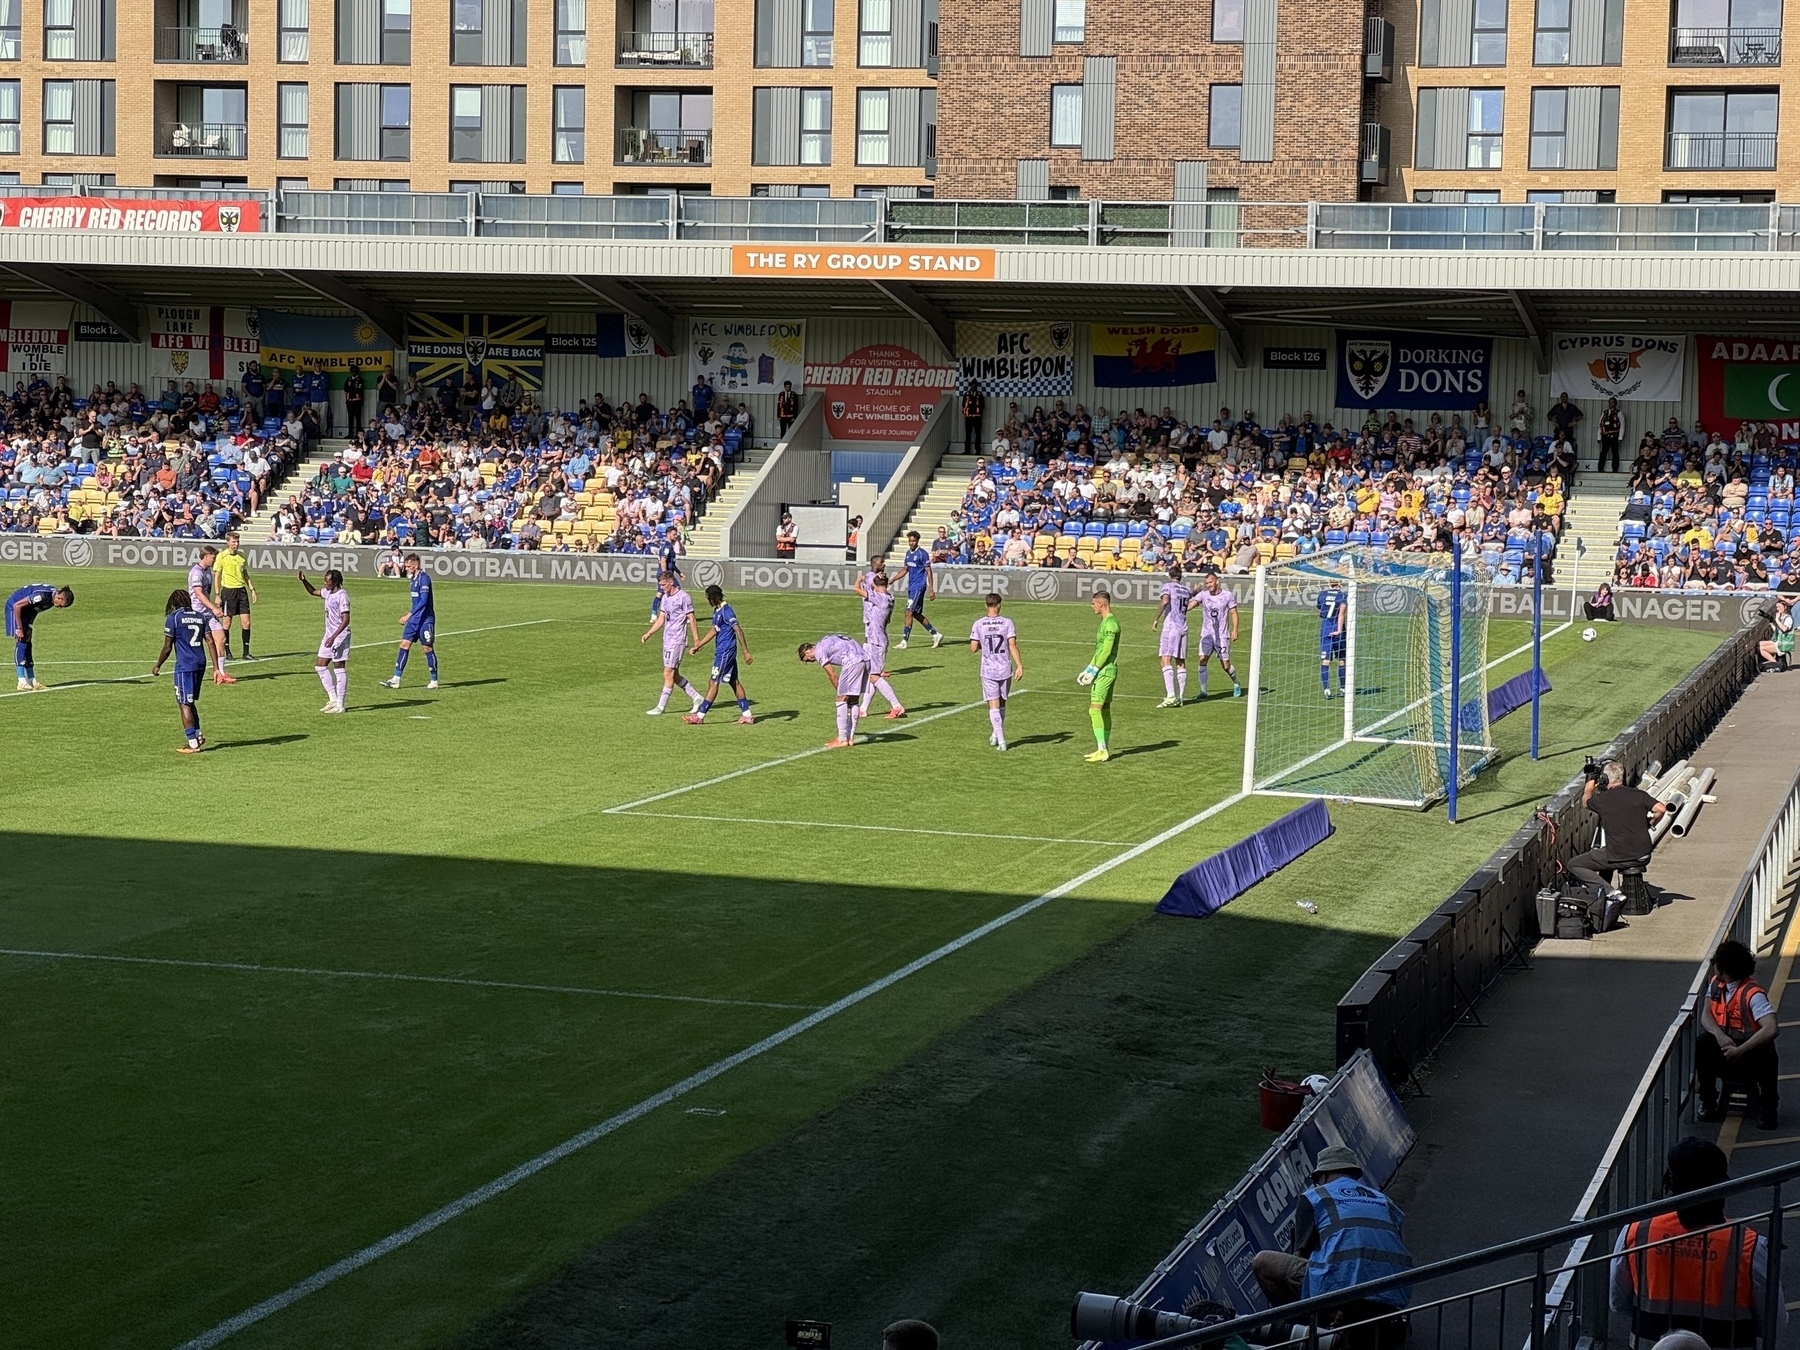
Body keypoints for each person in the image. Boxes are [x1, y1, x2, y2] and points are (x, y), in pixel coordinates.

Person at [1611, 1137, 1785, 1346]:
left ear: (1670, 1182)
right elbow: (1774, 1323)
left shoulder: (1637, 1231)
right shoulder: (1748, 1245)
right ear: (1724, 1185)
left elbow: (1618, 1303)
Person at [1250, 1144, 1411, 1336]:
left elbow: (1299, 1256)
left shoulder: (1315, 1197)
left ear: (1323, 1176)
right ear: (1353, 1175)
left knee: (1263, 1263)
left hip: (1342, 1292)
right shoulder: (1385, 1201)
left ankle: (1301, 1333)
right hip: (1393, 1294)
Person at [1697, 939, 1781, 1129]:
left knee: (1767, 1050)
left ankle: (1768, 1107)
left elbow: (1771, 1028)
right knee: (1703, 1043)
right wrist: (1720, 1036)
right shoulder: (1716, 984)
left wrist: (1741, 1050)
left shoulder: (1753, 994)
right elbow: (1706, 1015)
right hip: (1725, 1049)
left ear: (1722, 969)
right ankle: (1708, 1100)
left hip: (1750, 1056)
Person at [1568, 761, 1667, 902]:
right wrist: (1650, 823)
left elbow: (1586, 801)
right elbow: (1661, 809)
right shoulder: (1639, 794)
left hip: (1621, 856)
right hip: (1644, 854)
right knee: (1605, 855)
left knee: (1574, 864)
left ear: (1605, 780)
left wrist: (1589, 787)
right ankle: (1604, 894)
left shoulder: (1601, 800)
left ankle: (1610, 892)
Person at [150, 590, 211, 754]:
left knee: (183, 703)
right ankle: (197, 735)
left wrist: (158, 665)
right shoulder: (200, 616)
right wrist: (218, 668)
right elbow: (210, 641)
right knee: (190, 701)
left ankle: (192, 743)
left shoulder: (174, 618)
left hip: (185, 666)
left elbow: (167, 647)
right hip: (201, 663)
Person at [685, 584, 755, 725]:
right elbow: (714, 630)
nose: (707, 601)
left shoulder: (726, 611)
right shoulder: (718, 611)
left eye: (708, 598)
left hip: (725, 652)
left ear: (714, 597)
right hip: (723, 651)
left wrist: (745, 652)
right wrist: (699, 645)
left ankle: (700, 716)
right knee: (733, 681)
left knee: (713, 682)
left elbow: (738, 630)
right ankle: (747, 715)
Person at [641, 572, 704, 716]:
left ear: (671, 582)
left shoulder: (683, 597)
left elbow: (692, 618)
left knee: (668, 673)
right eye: (660, 585)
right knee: (674, 675)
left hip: (677, 640)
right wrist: (649, 633)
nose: (661, 588)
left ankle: (660, 706)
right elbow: (661, 618)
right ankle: (697, 698)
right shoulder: (665, 598)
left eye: (663, 585)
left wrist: (696, 640)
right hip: (667, 640)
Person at [969, 591, 1023, 751]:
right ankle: (995, 734)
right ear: (999, 605)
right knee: (1002, 702)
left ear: (986, 605)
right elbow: (1012, 645)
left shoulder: (978, 624)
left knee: (993, 704)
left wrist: (980, 644)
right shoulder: (1007, 623)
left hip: (988, 669)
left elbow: (973, 648)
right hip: (1005, 667)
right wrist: (1020, 665)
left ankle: (1001, 741)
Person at [799, 633, 871, 749]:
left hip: (852, 661)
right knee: (853, 700)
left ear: (808, 652)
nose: (812, 661)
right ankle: (850, 738)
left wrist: (840, 692)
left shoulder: (818, 651)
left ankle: (842, 738)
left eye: (808, 660)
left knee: (841, 699)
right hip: (865, 659)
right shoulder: (825, 640)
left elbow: (832, 675)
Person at [852, 564, 906, 719]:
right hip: (875, 639)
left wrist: (859, 579)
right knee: (871, 675)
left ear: (875, 585)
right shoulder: (889, 597)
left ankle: (896, 705)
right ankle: (863, 708)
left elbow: (856, 589)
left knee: (875, 676)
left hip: (876, 641)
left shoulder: (879, 598)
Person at [381, 553, 439, 690]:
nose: (406, 568)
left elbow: (424, 601)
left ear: (416, 565)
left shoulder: (424, 579)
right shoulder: (412, 579)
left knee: (427, 648)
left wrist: (408, 615)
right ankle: (396, 679)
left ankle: (434, 680)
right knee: (404, 644)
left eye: (408, 566)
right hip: (414, 621)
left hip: (425, 620)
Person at [298, 568, 351, 714]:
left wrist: (334, 637)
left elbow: (346, 619)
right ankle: (332, 699)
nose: (325, 583)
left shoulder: (342, 596)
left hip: (339, 637)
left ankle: (340, 704)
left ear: (335, 582)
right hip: (328, 636)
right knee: (320, 666)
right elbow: (313, 591)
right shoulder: (328, 592)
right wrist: (304, 581)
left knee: (339, 667)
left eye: (327, 581)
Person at [1078, 589, 1121, 763]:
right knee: (1104, 710)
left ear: (1101, 603)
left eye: (1094, 603)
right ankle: (1103, 748)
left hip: (1105, 672)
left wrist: (1094, 670)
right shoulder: (1106, 622)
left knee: (1094, 710)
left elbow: (1107, 650)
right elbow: (1100, 650)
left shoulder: (1111, 624)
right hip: (1104, 670)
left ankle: (1102, 749)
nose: (1092, 606)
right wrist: (1088, 668)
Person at [6, 582, 73, 691]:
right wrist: (19, 628)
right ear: (60, 597)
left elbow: (34, 610)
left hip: (26, 611)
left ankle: (32, 681)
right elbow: (17, 605)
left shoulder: (50, 601)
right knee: (22, 641)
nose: (60, 608)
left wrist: (29, 626)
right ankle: (21, 681)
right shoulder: (42, 596)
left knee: (28, 642)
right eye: (61, 605)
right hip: (15, 608)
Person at [187, 544, 236, 684]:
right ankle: (190, 672)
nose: (214, 560)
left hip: (208, 614)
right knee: (194, 646)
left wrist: (216, 599)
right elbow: (198, 594)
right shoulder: (197, 572)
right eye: (213, 558)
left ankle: (221, 673)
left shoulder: (207, 570)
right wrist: (213, 608)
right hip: (197, 614)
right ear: (206, 556)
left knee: (221, 639)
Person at [1153, 563, 1196, 708]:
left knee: (1165, 659)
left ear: (1169, 576)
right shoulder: (1186, 589)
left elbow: (1165, 600)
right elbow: (1189, 600)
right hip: (1183, 627)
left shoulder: (1168, 586)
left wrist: (1156, 619)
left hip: (1171, 627)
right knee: (1180, 661)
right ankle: (1181, 697)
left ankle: (1171, 695)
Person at [1195, 572, 1243, 698]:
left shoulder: (1227, 595)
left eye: (1210, 582)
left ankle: (1236, 683)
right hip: (1206, 634)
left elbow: (1233, 613)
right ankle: (1203, 691)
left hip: (1222, 636)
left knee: (1226, 665)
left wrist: (1235, 629)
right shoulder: (1203, 595)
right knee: (1202, 660)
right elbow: (1192, 604)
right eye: (1207, 583)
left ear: (1217, 581)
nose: (1208, 585)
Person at [216, 531, 257, 661]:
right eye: (233, 542)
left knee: (247, 622)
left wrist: (252, 589)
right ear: (227, 542)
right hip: (228, 592)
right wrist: (217, 595)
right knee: (227, 623)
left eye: (237, 541)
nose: (236, 544)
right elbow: (217, 576)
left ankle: (246, 652)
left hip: (241, 591)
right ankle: (227, 651)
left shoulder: (242, 556)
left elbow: (245, 574)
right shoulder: (221, 556)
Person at [898, 529, 942, 648]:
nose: (911, 543)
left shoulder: (922, 554)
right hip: (912, 587)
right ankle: (935, 634)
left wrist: (931, 588)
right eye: (910, 540)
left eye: (913, 540)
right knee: (916, 613)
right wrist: (892, 580)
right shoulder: (908, 553)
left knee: (908, 612)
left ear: (917, 541)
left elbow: (929, 571)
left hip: (919, 587)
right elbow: (905, 569)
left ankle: (904, 641)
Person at [1318, 580, 1349, 698]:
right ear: (1339, 583)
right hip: (1338, 629)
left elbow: (1320, 611)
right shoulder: (1342, 596)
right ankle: (1343, 688)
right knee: (1341, 659)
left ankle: (1326, 690)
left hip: (1325, 629)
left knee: (1326, 660)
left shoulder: (1322, 594)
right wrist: (1339, 630)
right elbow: (1341, 614)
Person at [1758, 595, 1795, 672]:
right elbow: (1777, 631)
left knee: (1762, 649)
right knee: (1760, 644)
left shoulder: (1788, 618)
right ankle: (1773, 661)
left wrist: (1777, 620)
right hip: (1779, 640)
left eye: (1779, 607)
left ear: (1785, 607)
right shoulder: (1782, 618)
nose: (1777, 609)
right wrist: (1771, 622)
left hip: (1784, 644)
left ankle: (1774, 663)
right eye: (1777, 607)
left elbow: (1784, 629)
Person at [1599, 397, 1624, 475]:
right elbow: (1600, 425)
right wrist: (1599, 437)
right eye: (1609, 402)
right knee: (1603, 452)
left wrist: (1620, 437)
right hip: (1605, 436)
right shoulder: (1605, 413)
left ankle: (1615, 468)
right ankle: (1600, 468)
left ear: (1615, 404)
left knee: (1615, 452)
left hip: (1614, 435)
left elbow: (1622, 425)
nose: (1611, 404)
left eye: (1612, 402)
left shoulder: (1619, 413)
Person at [961, 380, 985, 454]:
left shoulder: (980, 394)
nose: (973, 386)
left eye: (975, 385)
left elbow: (983, 405)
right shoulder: (966, 394)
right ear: (970, 386)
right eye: (972, 385)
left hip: (977, 417)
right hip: (968, 417)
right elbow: (963, 404)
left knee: (978, 434)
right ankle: (967, 450)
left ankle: (978, 450)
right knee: (968, 434)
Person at [344, 365, 366, 436]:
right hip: (349, 401)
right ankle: (350, 433)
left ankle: (358, 434)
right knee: (350, 418)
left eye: (355, 371)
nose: (353, 372)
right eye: (352, 371)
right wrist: (351, 389)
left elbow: (359, 389)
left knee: (358, 418)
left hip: (357, 401)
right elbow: (345, 388)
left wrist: (351, 389)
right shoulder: (348, 379)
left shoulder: (359, 379)